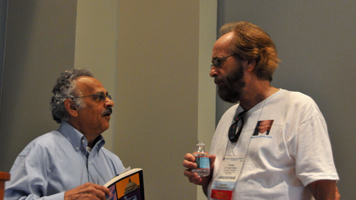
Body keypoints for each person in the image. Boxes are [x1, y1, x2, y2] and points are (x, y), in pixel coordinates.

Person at [183, 21, 340, 199]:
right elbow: (222, 190)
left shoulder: (297, 107)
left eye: (218, 62)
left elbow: (325, 190)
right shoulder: (228, 117)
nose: (212, 72)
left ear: (249, 62)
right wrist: (207, 179)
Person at [5, 68, 125, 200]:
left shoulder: (113, 162)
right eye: (99, 97)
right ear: (72, 107)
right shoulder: (42, 150)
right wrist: (64, 198)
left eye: (108, 97)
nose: (110, 103)